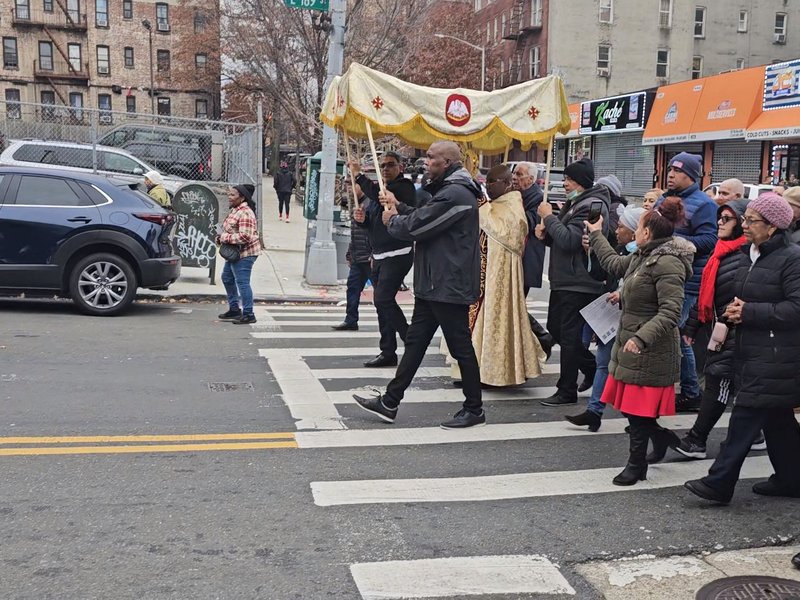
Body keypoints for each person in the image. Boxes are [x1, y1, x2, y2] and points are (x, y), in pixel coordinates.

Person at [352, 141, 484, 429]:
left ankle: (474, 409)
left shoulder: (457, 194)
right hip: (434, 283)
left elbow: (418, 226)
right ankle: (390, 401)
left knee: (460, 346)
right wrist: (398, 205)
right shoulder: (447, 192)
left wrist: (393, 219)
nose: (426, 162)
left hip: (448, 284)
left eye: (432, 157)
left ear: (447, 162)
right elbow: (423, 215)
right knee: (415, 343)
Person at [685, 193, 800, 504]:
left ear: (774, 227)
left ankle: (719, 482)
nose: (745, 225)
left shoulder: (792, 259)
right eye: (745, 218)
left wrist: (749, 312)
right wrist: (735, 311)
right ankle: (792, 479)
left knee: (743, 420)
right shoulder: (752, 254)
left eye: (752, 221)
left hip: (776, 357)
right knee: (779, 423)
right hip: (751, 350)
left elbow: (795, 308)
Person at [586, 197, 695, 485]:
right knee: (628, 407)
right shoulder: (643, 255)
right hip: (631, 343)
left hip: (650, 347)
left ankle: (636, 466)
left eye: (638, 228)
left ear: (646, 232)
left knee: (636, 412)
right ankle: (661, 438)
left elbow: (671, 311)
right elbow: (613, 263)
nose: (632, 232)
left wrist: (641, 338)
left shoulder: (667, 262)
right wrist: (597, 234)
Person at [672, 199, 749, 459]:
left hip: (735, 335)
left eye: (727, 218)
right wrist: (692, 326)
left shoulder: (744, 257)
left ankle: (697, 440)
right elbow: (709, 295)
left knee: (718, 385)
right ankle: (759, 435)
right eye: (720, 217)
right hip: (720, 332)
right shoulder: (720, 253)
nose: (720, 222)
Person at [535, 158, 610, 407]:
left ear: (580, 182)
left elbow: (570, 241)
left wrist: (549, 218)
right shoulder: (575, 202)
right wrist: (546, 235)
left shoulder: (593, 205)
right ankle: (588, 368)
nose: (564, 183)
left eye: (568, 179)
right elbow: (561, 241)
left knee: (568, 335)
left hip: (579, 282)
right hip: (564, 280)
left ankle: (566, 389)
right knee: (557, 330)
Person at [462, 164, 545, 386]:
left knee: (497, 318)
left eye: (492, 183)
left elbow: (507, 232)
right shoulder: (492, 205)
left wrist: (480, 207)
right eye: (486, 182)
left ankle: (493, 371)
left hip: (500, 275)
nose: (487, 187)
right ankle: (472, 368)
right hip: (480, 272)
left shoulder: (514, 206)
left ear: (507, 184)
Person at [565, 205, 645, 432]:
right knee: (603, 362)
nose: (617, 231)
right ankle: (594, 411)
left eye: (621, 227)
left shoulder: (647, 255)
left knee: (631, 371)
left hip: (637, 321)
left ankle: (643, 421)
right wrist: (592, 251)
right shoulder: (622, 249)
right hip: (614, 314)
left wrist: (625, 292)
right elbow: (602, 273)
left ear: (635, 231)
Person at [659, 153, 718, 412]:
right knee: (673, 335)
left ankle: (690, 390)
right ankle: (686, 389)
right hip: (660, 277)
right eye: (670, 169)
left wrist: (678, 245)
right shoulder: (663, 199)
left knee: (674, 334)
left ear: (690, 176)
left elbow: (710, 240)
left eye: (677, 170)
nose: (671, 174)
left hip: (687, 280)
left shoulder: (704, 204)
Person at [350, 152, 417, 367]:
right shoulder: (380, 195)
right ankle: (388, 351)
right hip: (378, 254)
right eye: (383, 165)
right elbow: (374, 223)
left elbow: (379, 193)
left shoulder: (403, 187)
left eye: (390, 165)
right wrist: (362, 220)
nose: (386, 169)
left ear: (400, 167)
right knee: (381, 306)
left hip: (398, 253)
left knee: (383, 299)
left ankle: (411, 339)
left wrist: (359, 175)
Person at [511, 161, 553, 357]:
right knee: (511, 306)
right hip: (516, 257)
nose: (514, 177)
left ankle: (541, 336)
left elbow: (524, 223)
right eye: (514, 173)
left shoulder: (538, 198)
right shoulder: (517, 195)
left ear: (530, 178)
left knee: (514, 306)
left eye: (519, 174)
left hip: (526, 259)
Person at [217, 185, 262, 325]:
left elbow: (245, 236)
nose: (229, 197)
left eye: (232, 195)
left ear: (242, 197)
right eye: (229, 194)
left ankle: (249, 313)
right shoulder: (236, 210)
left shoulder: (245, 213)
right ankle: (235, 309)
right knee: (227, 278)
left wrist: (224, 238)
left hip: (245, 253)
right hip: (234, 253)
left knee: (242, 283)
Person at [332, 183, 372, 332]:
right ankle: (351, 319)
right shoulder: (356, 204)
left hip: (369, 258)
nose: (349, 188)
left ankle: (390, 323)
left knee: (382, 295)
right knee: (352, 289)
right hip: (357, 257)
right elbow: (355, 233)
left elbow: (372, 232)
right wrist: (350, 253)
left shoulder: (369, 204)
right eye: (348, 185)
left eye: (353, 185)